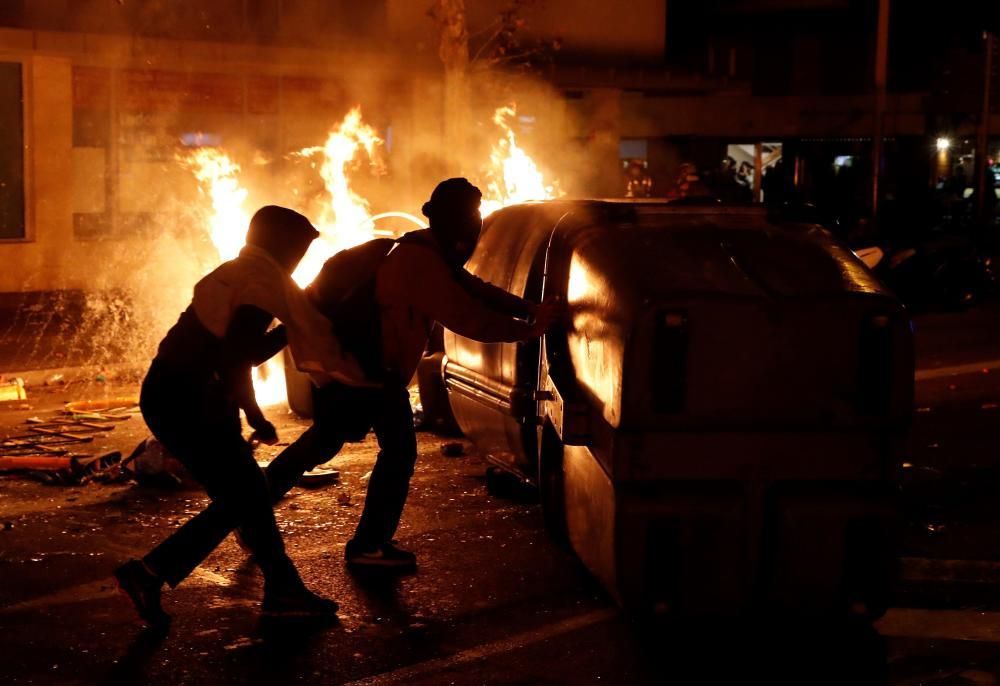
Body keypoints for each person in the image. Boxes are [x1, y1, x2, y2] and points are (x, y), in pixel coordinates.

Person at [126, 178, 560, 580]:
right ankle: (364, 545)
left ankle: (255, 525)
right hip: (370, 375)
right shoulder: (420, 262)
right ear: (457, 221)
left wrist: (527, 308)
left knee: (318, 445)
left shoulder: (421, 250)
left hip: (355, 370)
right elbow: (468, 316)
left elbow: (474, 289)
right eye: (472, 215)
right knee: (397, 453)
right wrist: (529, 329)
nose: (476, 223)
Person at [114, 206, 364, 627]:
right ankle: (151, 572)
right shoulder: (261, 282)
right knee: (244, 497)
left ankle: (282, 589)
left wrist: (253, 407)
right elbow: (240, 356)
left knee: (248, 495)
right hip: (190, 401)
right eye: (300, 249)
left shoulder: (238, 271)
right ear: (282, 244)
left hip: (174, 394)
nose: (300, 259)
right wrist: (257, 406)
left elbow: (232, 354)